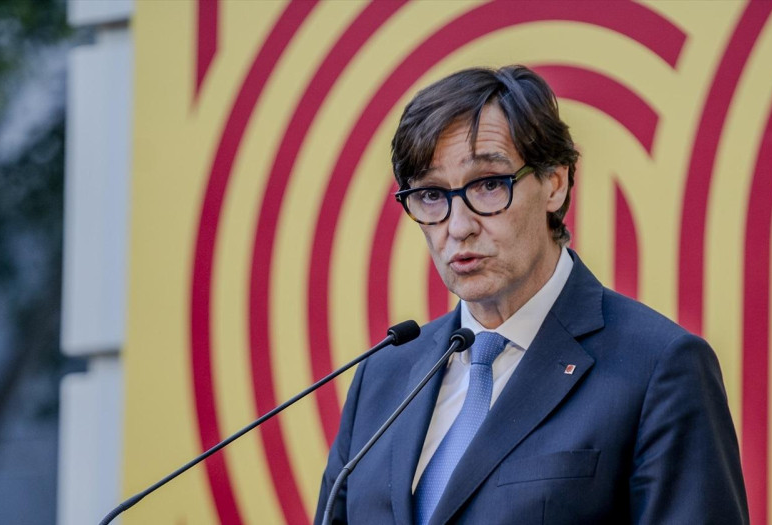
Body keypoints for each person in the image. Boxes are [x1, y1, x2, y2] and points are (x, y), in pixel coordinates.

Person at [314, 65, 748, 524]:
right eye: (431, 195)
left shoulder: (658, 368)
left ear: (554, 183)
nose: (458, 227)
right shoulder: (384, 376)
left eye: (487, 185)